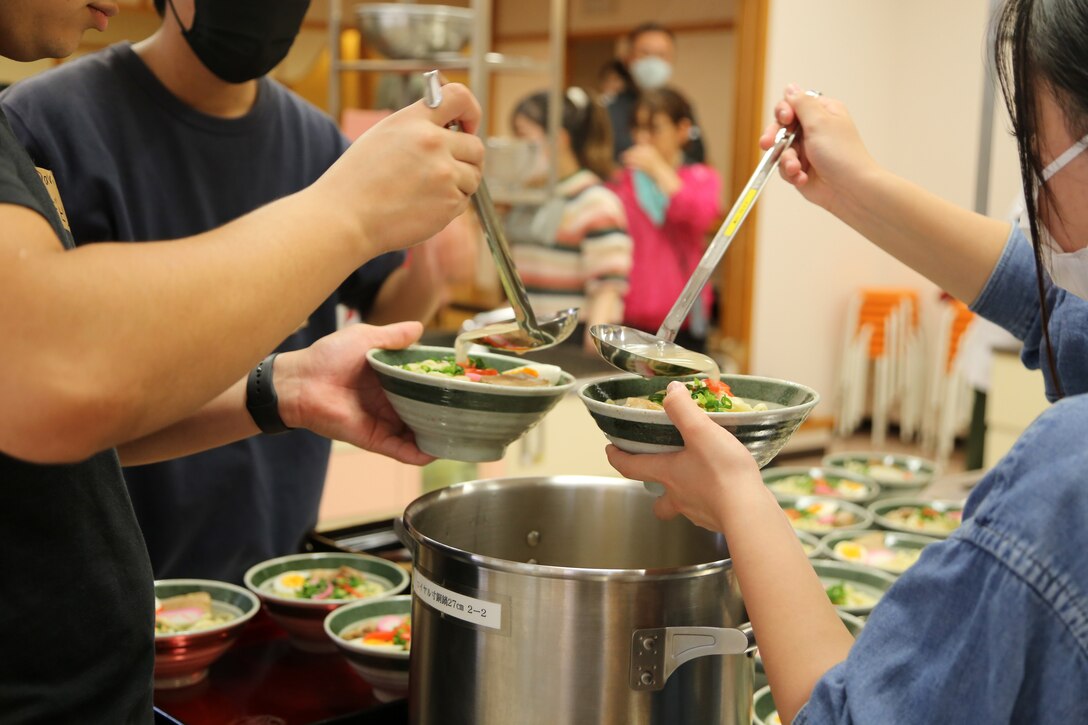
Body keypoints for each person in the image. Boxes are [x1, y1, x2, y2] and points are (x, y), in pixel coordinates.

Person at [606, 0, 1088, 722]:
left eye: (1033, 142)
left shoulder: (1065, 483)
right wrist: (856, 186)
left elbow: (847, 713)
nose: (1032, 184)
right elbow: (1050, 307)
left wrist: (739, 496)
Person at [0, 0, 483, 720]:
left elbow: (52, 418)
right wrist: (347, 209)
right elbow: (51, 373)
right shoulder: (49, 116)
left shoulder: (306, 133)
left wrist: (284, 384)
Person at [506, 87, 632, 353]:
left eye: (523, 135)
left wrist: (595, 349)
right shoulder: (530, 197)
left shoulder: (596, 201)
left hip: (571, 340)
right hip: (531, 338)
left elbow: (608, 287)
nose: (516, 146)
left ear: (558, 139)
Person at [609, 88, 721, 353]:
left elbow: (700, 218)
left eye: (654, 129)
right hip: (631, 320)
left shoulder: (702, 177)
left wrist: (660, 170)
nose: (643, 138)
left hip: (686, 321)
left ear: (682, 130)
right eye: (638, 129)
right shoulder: (621, 184)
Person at [605, 22, 705, 164]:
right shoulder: (609, 109)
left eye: (661, 55)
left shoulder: (681, 106)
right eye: (645, 53)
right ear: (628, 58)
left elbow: (697, 156)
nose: (653, 61)